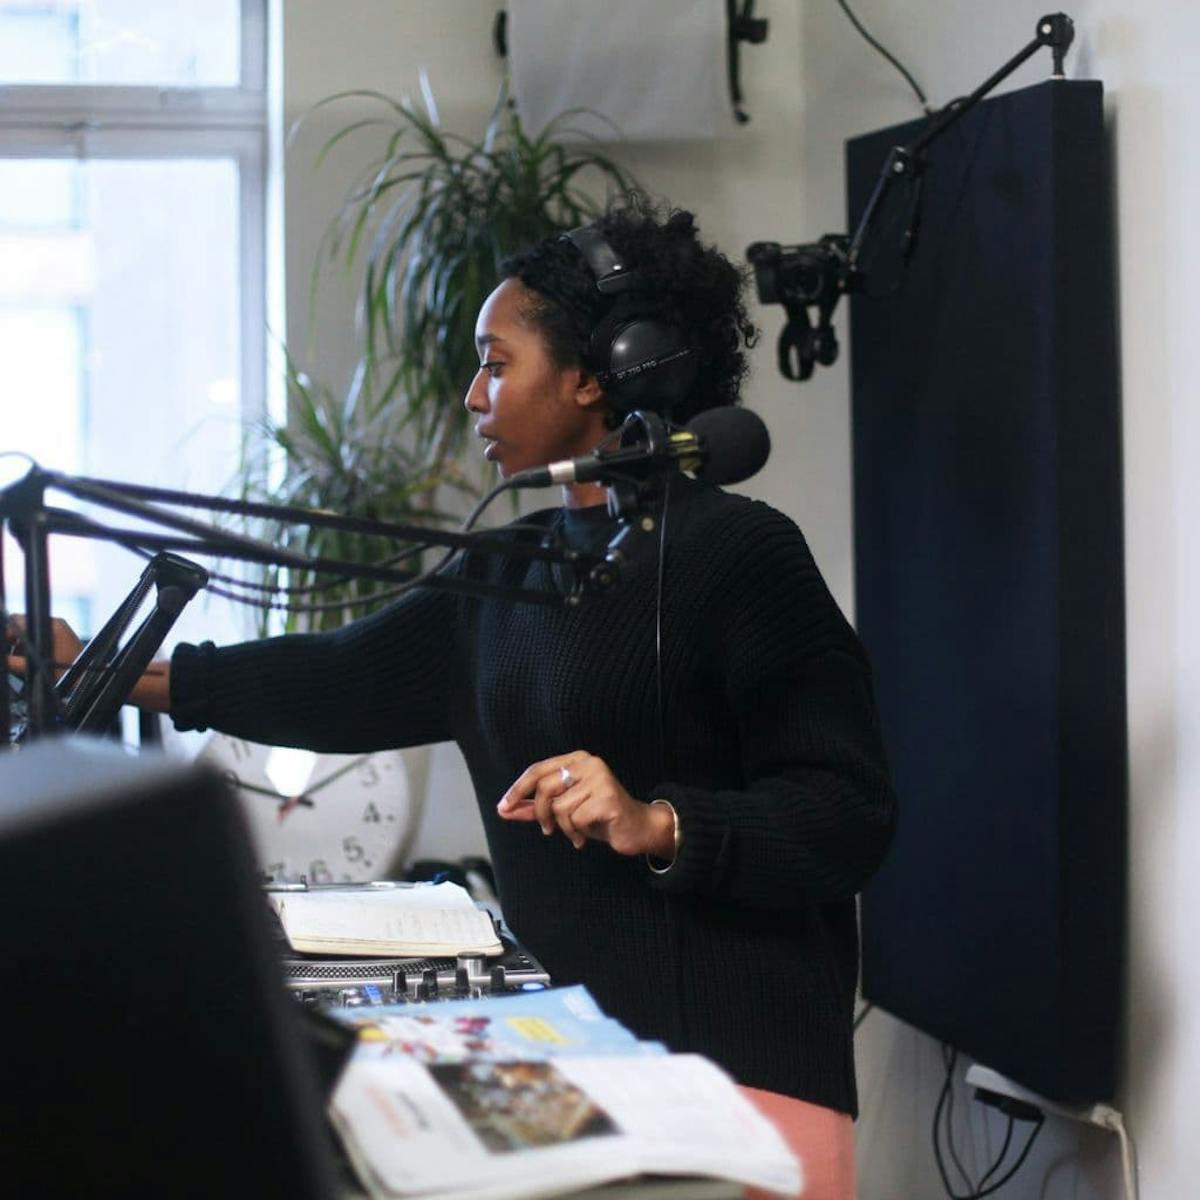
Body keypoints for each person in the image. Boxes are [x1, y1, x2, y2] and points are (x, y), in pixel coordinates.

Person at [7, 202, 896, 1116]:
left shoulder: (742, 553)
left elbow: (848, 813)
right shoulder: (509, 565)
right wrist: (98, 666)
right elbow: (336, 678)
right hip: (578, 1058)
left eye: (496, 364)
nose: (473, 395)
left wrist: (657, 821)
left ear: (599, 373)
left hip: (737, 1078)